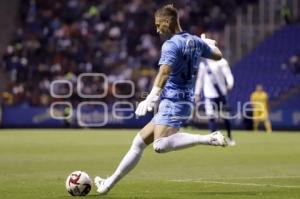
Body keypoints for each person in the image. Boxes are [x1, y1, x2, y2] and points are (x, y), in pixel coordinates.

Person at [94, 4, 227, 195]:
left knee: (159, 145)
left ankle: (208, 138)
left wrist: (150, 98)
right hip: (180, 100)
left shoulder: (171, 44)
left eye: (158, 25)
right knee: (138, 143)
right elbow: (218, 56)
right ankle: (108, 183)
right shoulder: (194, 41)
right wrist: (210, 45)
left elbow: (164, 72)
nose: (157, 30)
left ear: (167, 21)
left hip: (174, 100)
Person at [194, 56, 235, 146]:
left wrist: (230, 83)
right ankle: (214, 139)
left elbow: (228, 74)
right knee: (211, 116)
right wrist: (197, 93)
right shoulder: (203, 64)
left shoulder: (222, 62)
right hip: (209, 95)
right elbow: (200, 80)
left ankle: (229, 137)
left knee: (225, 116)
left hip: (221, 94)